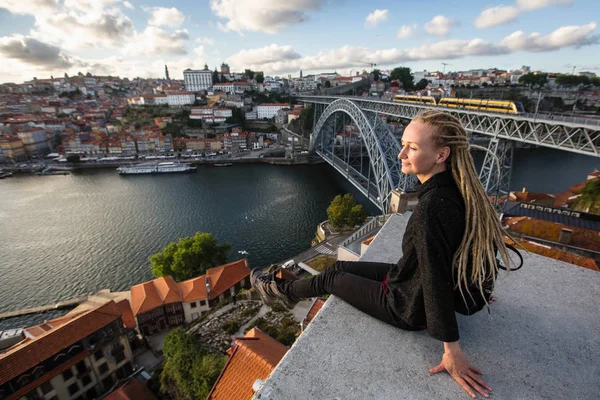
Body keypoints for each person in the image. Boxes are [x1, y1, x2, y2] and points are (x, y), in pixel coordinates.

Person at [251, 110, 510, 399]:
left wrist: (452, 350)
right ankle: (283, 289)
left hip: (408, 306)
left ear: (441, 155)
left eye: (412, 147)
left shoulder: (431, 209)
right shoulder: (458, 190)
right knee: (336, 268)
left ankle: (278, 290)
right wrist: (474, 289)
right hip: (409, 280)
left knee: (331, 279)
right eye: (403, 144)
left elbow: (434, 277)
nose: (400, 153)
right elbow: (470, 245)